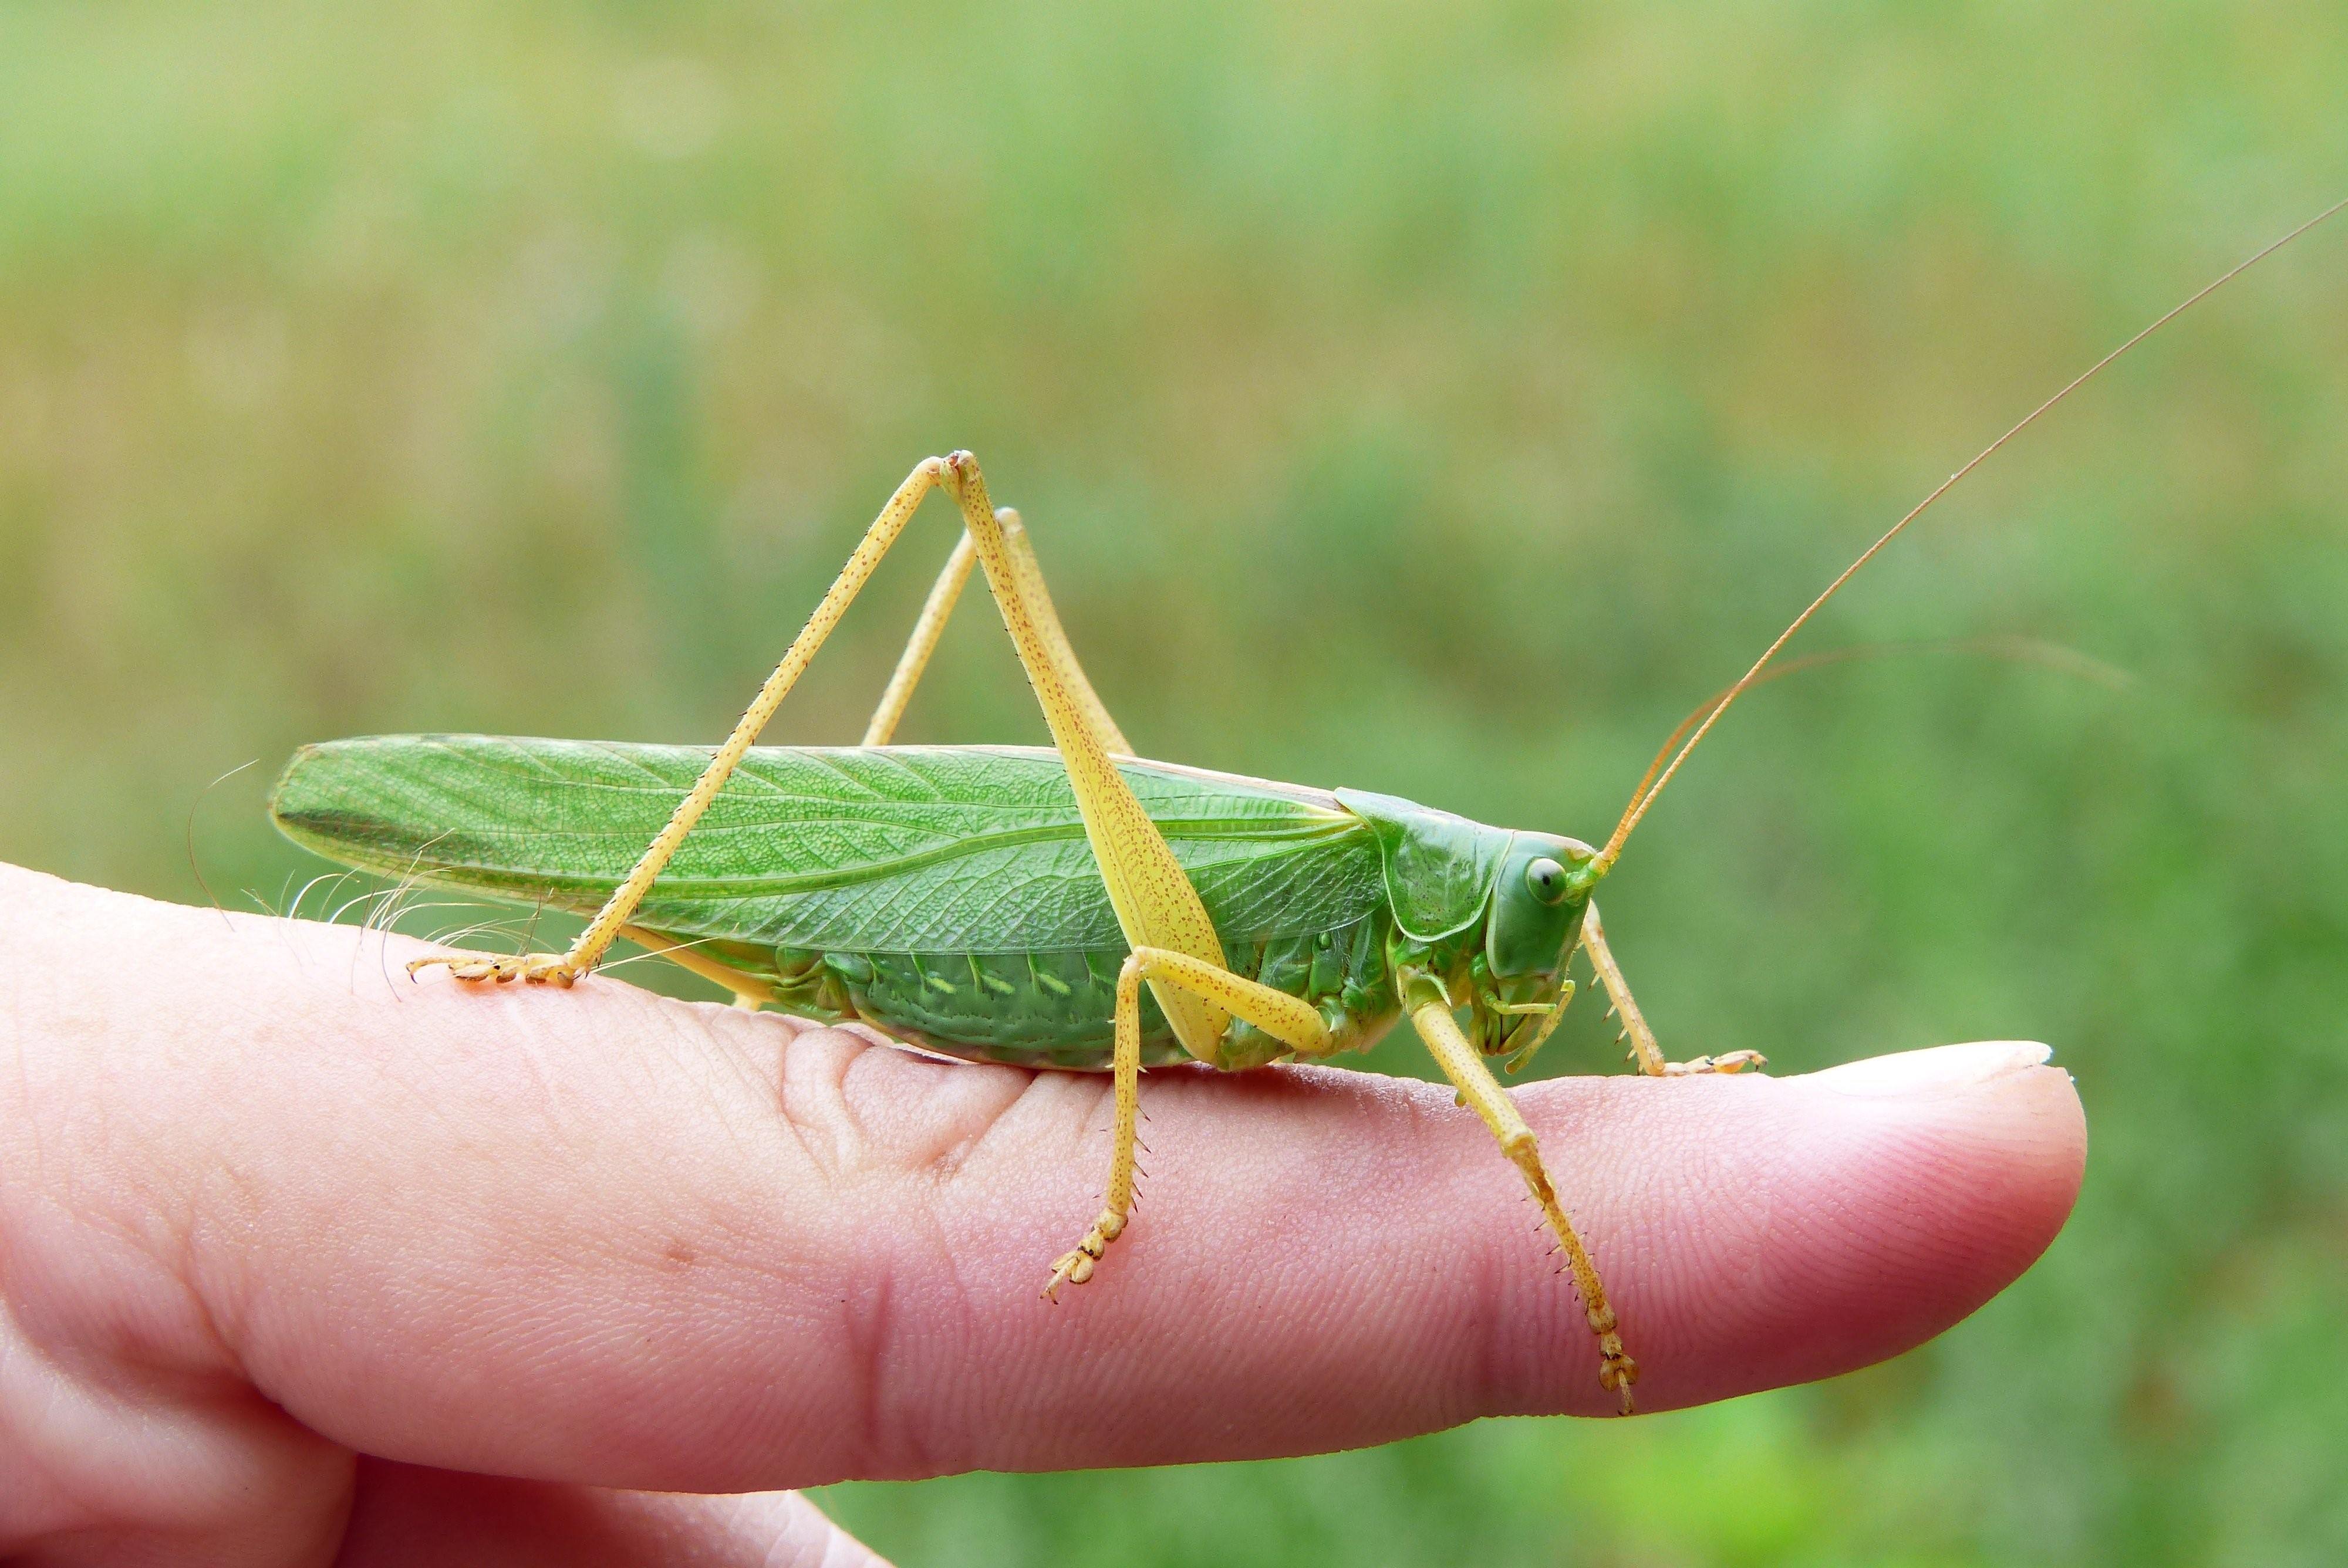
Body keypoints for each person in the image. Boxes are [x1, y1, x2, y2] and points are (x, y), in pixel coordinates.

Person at [0, 864, 2083, 1565]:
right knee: (964, 505)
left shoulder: (1467, 930)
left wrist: (1655, 1059)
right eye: (1540, 908)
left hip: (1099, 960)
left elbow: (1518, 1003)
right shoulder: (1353, 889)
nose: (1552, 936)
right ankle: (606, 919)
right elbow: (1144, 990)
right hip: (1058, 951)